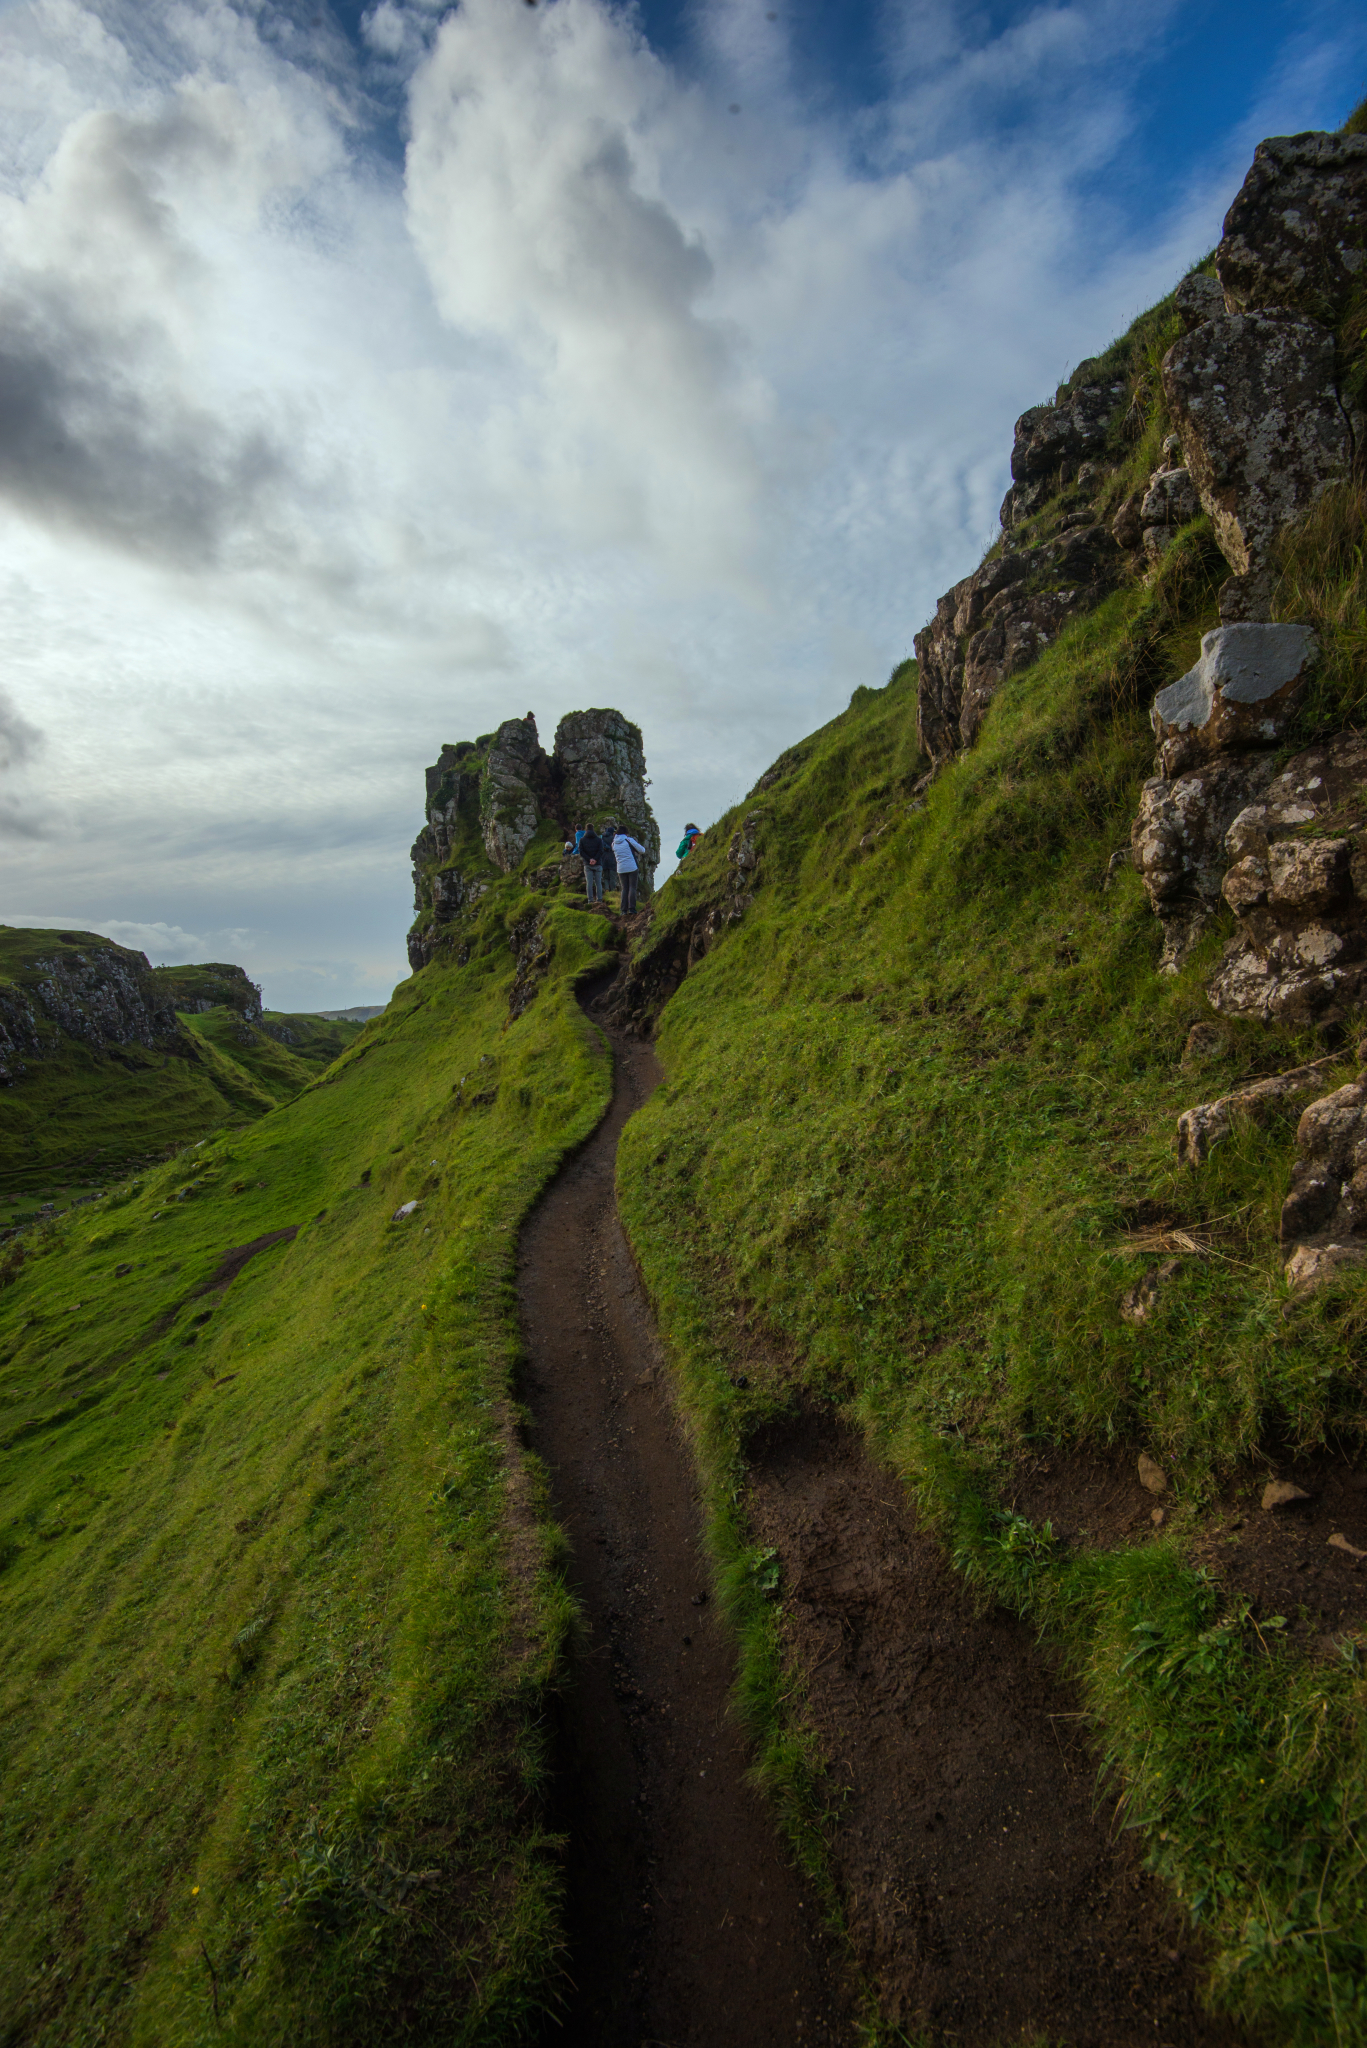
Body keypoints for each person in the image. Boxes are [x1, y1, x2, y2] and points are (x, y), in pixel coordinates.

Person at [612, 825, 648, 915]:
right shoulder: (628, 840)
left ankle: (623, 910)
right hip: (632, 867)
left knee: (624, 889)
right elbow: (642, 850)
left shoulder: (613, 843)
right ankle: (631, 909)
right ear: (626, 833)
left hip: (620, 868)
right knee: (632, 888)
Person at [579, 824, 604, 907]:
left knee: (589, 883)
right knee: (598, 883)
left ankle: (590, 900)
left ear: (585, 830)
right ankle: (599, 900)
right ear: (593, 830)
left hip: (587, 864)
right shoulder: (599, 840)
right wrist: (595, 859)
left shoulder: (582, 840)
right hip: (597, 864)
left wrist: (589, 859)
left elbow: (581, 852)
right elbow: (601, 851)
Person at [600, 819, 619, 898]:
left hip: (604, 859)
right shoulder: (614, 839)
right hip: (612, 859)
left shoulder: (602, 838)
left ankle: (606, 889)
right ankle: (612, 891)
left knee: (606, 876)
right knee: (612, 876)